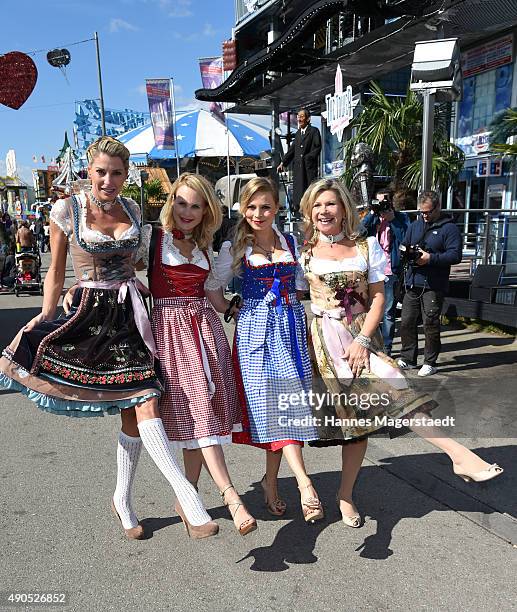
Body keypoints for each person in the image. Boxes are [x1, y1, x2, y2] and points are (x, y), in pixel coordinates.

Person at [0, 136, 216, 541]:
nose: (109, 180)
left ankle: (127, 498)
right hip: (88, 313)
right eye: (101, 171)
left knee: (143, 403)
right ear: (89, 169)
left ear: (126, 174)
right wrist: (44, 316)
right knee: (135, 409)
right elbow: (56, 269)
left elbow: (139, 261)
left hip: (131, 313)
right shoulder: (66, 210)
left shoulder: (133, 209)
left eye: (117, 172)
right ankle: (185, 497)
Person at [299, 178, 503, 528]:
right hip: (323, 343)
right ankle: (316, 491)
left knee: (392, 386)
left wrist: (363, 340)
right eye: (317, 206)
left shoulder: (365, 247)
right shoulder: (300, 251)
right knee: (349, 423)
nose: (324, 211)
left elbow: (379, 297)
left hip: (359, 338)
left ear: (344, 208)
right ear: (309, 211)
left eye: (330, 204)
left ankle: (454, 457)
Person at [148, 173, 257, 536]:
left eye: (197, 205)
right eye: (181, 202)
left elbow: (215, 298)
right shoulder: (153, 240)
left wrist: (241, 309)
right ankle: (231, 497)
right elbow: (113, 266)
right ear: (171, 203)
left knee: (198, 416)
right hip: (169, 336)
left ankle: (188, 499)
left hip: (205, 334)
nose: (188, 211)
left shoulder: (206, 250)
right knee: (198, 412)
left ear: (207, 210)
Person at [215, 177, 324, 523]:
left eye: (265, 206)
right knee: (274, 410)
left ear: (276, 207)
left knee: (286, 406)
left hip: (290, 330)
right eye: (251, 207)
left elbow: (307, 285)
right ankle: (305, 484)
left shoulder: (292, 243)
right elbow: (211, 286)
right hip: (254, 337)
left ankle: (271, 482)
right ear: (242, 209)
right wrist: (231, 309)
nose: (258, 213)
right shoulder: (233, 247)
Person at [397, 190, 462, 377]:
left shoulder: (449, 228)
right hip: (412, 281)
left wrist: (430, 258)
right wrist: (407, 252)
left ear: (438, 207)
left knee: (430, 323)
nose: (425, 216)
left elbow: (455, 255)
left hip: (433, 284)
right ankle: (408, 358)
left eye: (428, 212)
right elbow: (403, 244)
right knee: (407, 321)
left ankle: (430, 361)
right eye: (421, 212)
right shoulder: (415, 225)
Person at [361, 188, 410, 356]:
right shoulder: (373, 218)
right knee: (368, 309)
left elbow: (406, 239)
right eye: (379, 201)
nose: (383, 204)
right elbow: (358, 232)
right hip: (371, 270)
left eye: (386, 201)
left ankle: (386, 348)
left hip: (390, 270)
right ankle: (372, 344)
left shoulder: (401, 218)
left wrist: (393, 220)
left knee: (388, 312)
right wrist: (372, 214)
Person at [277, 109, 321, 216]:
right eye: (298, 117)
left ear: (308, 118)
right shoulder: (297, 134)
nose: (299, 119)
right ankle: (299, 211)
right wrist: (283, 163)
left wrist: (308, 158)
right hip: (298, 170)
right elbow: (292, 151)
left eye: (301, 117)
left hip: (308, 169)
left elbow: (317, 147)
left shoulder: (314, 131)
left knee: (309, 193)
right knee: (299, 195)